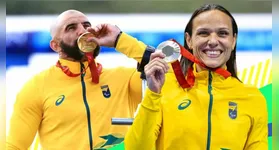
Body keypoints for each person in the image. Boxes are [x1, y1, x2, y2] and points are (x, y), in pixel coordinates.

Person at [124, 4, 268, 150]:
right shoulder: (163, 88)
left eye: (222, 33)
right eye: (204, 33)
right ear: (189, 40)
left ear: (233, 41)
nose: (212, 41)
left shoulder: (252, 98)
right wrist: (153, 94)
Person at [6, 9, 155, 150]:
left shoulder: (124, 79)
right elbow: (15, 146)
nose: (83, 31)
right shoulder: (36, 87)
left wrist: (120, 39)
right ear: (55, 45)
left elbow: (170, 73)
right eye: (71, 28)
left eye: (86, 25)